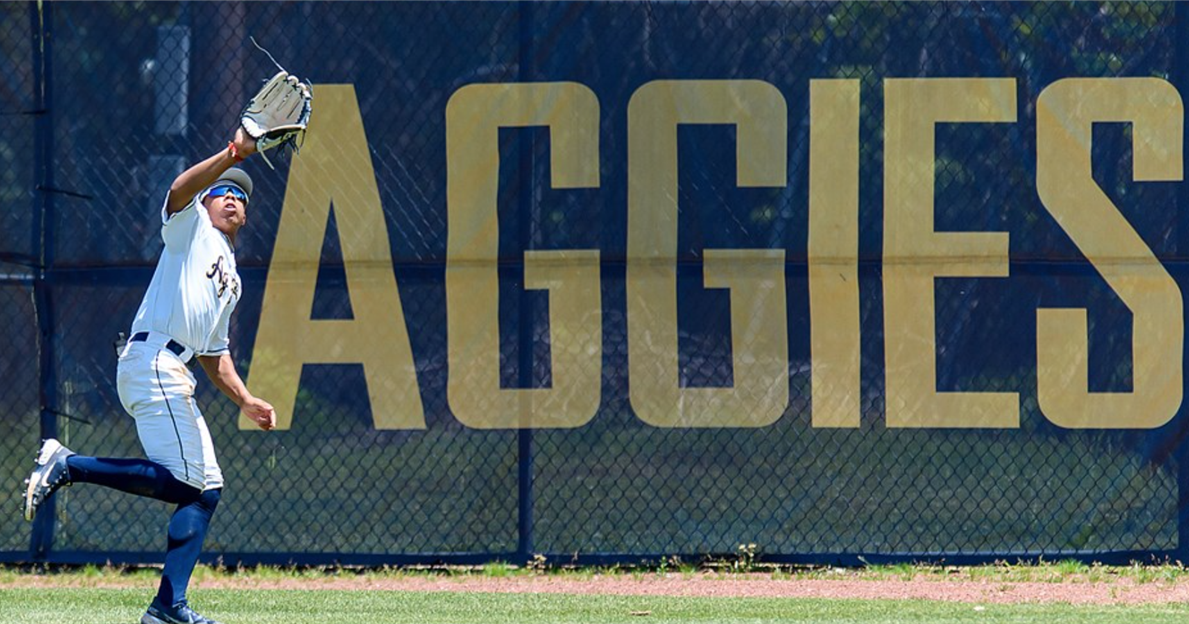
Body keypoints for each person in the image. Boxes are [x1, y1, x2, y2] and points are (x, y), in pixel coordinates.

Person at [23, 126, 276, 624]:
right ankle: (69, 464)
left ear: (246, 214)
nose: (230, 198)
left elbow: (214, 352)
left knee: (206, 489)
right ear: (207, 204)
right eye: (222, 191)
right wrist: (230, 154)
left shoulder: (233, 279)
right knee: (186, 480)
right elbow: (178, 191)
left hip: (174, 368)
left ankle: (167, 606)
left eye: (239, 196)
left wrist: (245, 399)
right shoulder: (191, 229)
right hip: (153, 360)